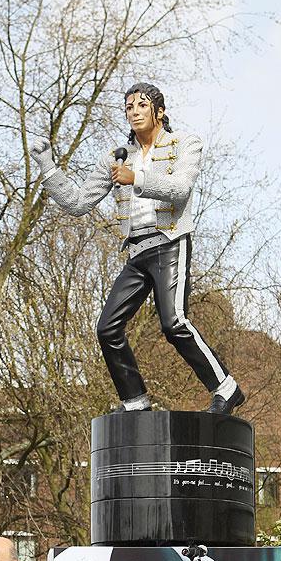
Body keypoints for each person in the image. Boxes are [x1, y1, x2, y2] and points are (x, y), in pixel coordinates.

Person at [30, 82, 244, 415]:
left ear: (159, 111)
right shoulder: (116, 158)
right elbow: (76, 202)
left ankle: (226, 388)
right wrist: (47, 166)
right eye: (129, 107)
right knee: (107, 327)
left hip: (170, 242)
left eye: (142, 105)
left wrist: (136, 179)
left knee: (174, 323)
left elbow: (181, 189)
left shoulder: (184, 144)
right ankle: (135, 400)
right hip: (137, 252)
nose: (134, 111)